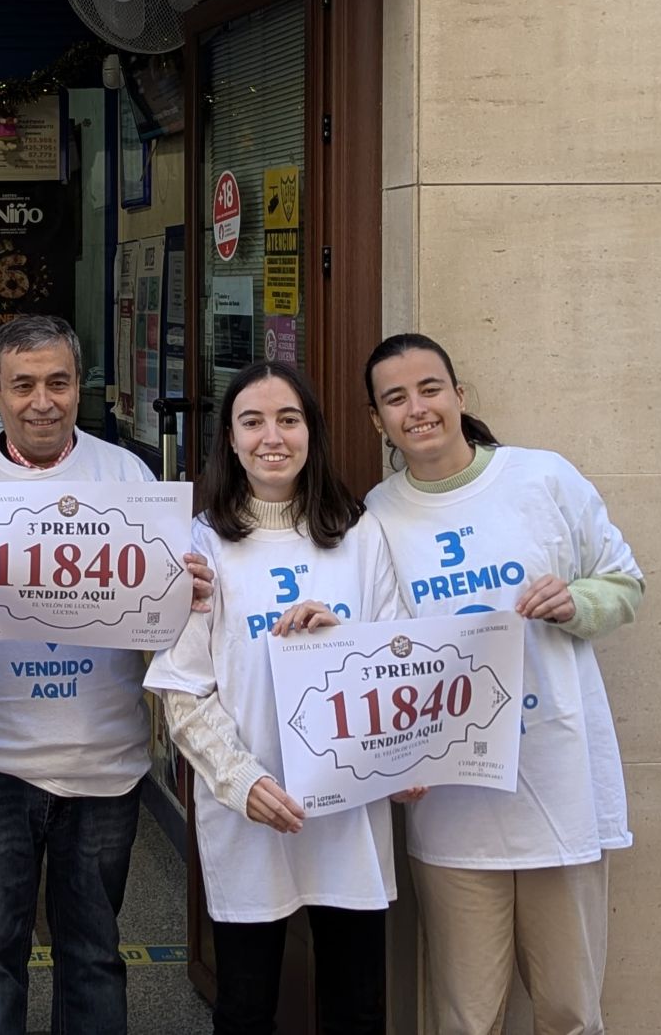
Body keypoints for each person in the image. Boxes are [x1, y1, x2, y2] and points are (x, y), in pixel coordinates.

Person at [0, 314, 212, 1035]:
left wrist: (190, 584)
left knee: (94, 956)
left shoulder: (126, 476)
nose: (41, 401)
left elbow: (174, 607)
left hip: (102, 761)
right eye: (22, 385)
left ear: (80, 388)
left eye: (57, 382)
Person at [363, 332, 644, 1035]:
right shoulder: (377, 515)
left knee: (569, 1010)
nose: (417, 409)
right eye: (395, 398)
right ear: (378, 421)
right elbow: (370, 647)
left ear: (459, 396)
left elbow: (626, 582)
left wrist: (576, 602)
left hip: (557, 783)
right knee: (464, 1015)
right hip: (455, 806)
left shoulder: (541, 479)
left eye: (430, 389)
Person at [144, 360, 406, 1035]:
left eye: (288, 419)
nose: (272, 436)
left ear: (312, 432)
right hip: (249, 811)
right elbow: (184, 689)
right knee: (245, 1003)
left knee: (357, 1004)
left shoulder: (359, 534)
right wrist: (242, 780)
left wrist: (340, 637)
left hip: (347, 809)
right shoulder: (201, 544)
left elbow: (400, 660)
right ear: (229, 439)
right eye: (251, 421)